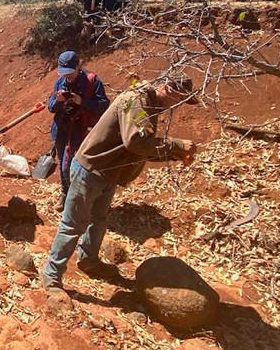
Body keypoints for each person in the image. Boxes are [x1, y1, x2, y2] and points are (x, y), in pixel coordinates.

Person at [42, 73, 199, 293]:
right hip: (91, 169)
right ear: (169, 88)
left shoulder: (147, 102)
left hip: (109, 171)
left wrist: (174, 154)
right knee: (73, 224)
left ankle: (88, 260)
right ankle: (51, 274)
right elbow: (135, 141)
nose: (178, 104)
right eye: (180, 98)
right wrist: (177, 145)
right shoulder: (137, 99)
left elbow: (139, 147)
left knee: (98, 220)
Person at [47, 50, 110, 213]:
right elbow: (51, 107)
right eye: (64, 73)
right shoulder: (59, 82)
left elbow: (103, 105)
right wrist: (58, 101)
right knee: (62, 164)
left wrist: (81, 101)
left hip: (80, 131)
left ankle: (78, 200)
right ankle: (65, 195)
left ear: (78, 66)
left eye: (70, 72)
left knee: (70, 167)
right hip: (61, 130)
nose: (67, 76)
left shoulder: (92, 81)